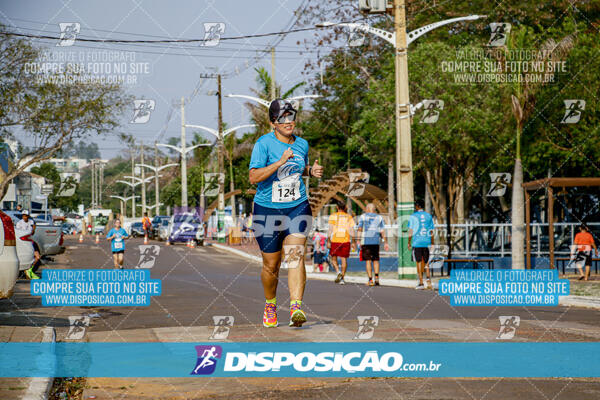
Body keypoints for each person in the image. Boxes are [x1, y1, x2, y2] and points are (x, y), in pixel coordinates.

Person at [249, 98, 323, 328]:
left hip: (296, 206)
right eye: (283, 118)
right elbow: (253, 177)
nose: (289, 121)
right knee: (271, 266)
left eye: (291, 116)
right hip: (267, 210)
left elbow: (298, 169)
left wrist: (312, 170)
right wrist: (278, 162)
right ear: (273, 122)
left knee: (295, 255)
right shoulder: (263, 144)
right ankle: (270, 304)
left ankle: (295, 307)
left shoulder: (302, 144)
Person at [356, 203, 389, 286]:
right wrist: (385, 242)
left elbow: (359, 229)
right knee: (376, 260)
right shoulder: (379, 217)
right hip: (375, 242)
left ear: (367, 209)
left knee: (368, 260)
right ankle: (377, 278)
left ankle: (370, 280)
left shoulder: (363, 217)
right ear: (374, 209)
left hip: (366, 242)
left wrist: (358, 240)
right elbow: (382, 231)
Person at [407, 200, 435, 290]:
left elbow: (410, 231)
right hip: (426, 241)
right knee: (426, 262)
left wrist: (409, 242)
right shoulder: (428, 216)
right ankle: (428, 281)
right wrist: (432, 242)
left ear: (417, 206)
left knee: (418, 261)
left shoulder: (413, 216)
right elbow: (431, 231)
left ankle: (421, 282)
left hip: (417, 242)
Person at [328, 200, 355, 285]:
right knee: (344, 260)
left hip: (335, 240)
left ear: (337, 207)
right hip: (345, 240)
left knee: (333, 258)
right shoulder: (348, 217)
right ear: (345, 208)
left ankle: (337, 271)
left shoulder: (333, 216)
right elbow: (351, 230)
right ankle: (342, 278)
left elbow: (330, 229)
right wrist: (353, 241)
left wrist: (328, 240)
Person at [16, 210, 41, 279]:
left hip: (31, 242)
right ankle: (26, 271)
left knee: (38, 257)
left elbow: (33, 231)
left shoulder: (31, 222)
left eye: (26, 216)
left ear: (28, 216)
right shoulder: (19, 223)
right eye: (23, 216)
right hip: (24, 243)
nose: (25, 217)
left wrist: (33, 228)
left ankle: (29, 270)